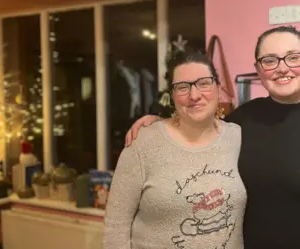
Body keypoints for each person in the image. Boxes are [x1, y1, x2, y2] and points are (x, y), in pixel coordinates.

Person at [124, 25, 300, 249]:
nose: (282, 68)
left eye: (293, 57)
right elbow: (200, 132)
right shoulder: (242, 121)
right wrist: (161, 124)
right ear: (258, 69)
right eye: (270, 60)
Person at [103, 50, 247, 249]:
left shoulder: (237, 137)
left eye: (204, 83)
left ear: (217, 87)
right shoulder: (144, 143)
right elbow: (115, 228)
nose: (194, 95)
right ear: (172, 95)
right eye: (182, 87)